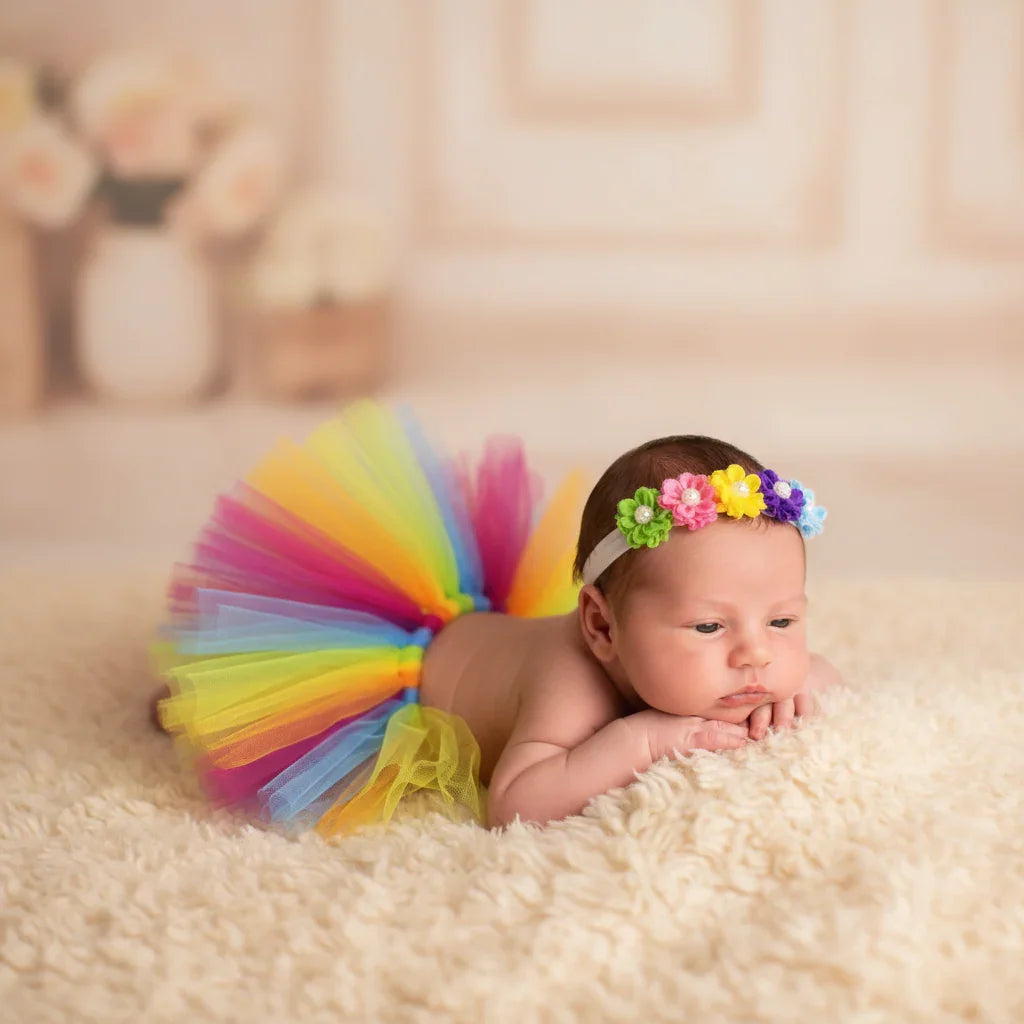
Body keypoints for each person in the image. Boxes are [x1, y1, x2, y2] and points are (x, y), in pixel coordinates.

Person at [154, 402, 840, 835]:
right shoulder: (571, 680)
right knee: (250, 708)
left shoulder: (744, 657)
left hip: (480, 618)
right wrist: (646, 743)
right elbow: (516, 803)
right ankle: (198, 694)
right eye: (710, 627)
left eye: (782, 622)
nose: (755, 655)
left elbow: (822, 672)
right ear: (602, 629)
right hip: (402, 671)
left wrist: (807, 685)